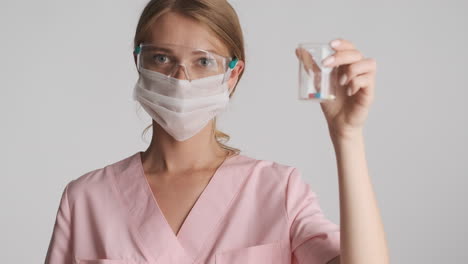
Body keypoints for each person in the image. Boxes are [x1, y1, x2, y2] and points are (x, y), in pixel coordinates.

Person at [44, 0, 389, 263]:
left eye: (204, 61)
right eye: (161, 58)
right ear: (139, 62)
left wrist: (348, 136)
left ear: (233, 74)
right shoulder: (86, 200)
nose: (181, 78)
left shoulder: (276, 190)